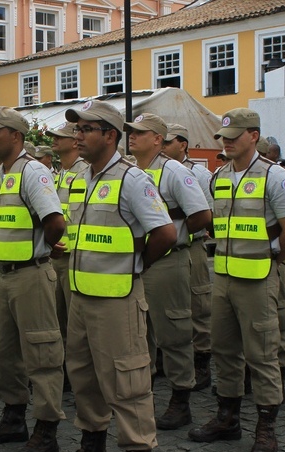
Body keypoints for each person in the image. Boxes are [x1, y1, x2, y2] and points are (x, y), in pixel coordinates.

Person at [49, 99, 176, 452]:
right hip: (82, 295)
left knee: (127, 381)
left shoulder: (132, 179)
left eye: (86, 129)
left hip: (118, 299)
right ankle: (92, 449)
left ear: (109, 135)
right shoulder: (82, 177)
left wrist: (136, 267)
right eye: (76, 129)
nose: (77, 136)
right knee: (84, 376)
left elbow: (165, 233)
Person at [188, 108, 285, 452]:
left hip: (258, 278)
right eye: (223, 137)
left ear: (253, 136)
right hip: (223, 276)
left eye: (234, 136)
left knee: (262, 354)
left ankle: (266, 427)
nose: (227, 143)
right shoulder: (219, 176)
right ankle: (228, 417)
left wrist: (274, 262)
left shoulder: (274, 176)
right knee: (224, 349)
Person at [0, 107, 67, 452]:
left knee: (42, 354)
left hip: (30, 274)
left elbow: (54, 222)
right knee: (6, 352)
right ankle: (13, 417)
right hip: (3, 274)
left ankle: (46, 427)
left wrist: (42, 248)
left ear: (15, 136)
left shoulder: (32, 171)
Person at [124, 113, 211, 429]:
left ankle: (180, 398)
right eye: (131, 132)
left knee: (174, 332)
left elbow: (201, 215)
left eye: (140, 132)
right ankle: (142, 395)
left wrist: (175, 231)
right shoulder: (129, 170)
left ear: (158, 139)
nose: (132, 137)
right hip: (138, 261)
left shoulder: (174, 171)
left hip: (168, 260)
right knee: (139, 333)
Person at [162, 123, 215, 391]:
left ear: (182, 144)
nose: (163, 146)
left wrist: (182, 232)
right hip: (163, 250)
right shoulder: (157, 170)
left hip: (190, 246)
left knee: (198, 305)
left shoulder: (199, 173)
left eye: (168, 142)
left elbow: (207, 213)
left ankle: (202, 359)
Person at [45, 122, 89, 374]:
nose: (54, 140)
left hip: (75, 257)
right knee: (58, 317)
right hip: (58, 255)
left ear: (74, 142)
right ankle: (64, 368)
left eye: (59, 136)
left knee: (74, 321)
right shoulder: (60, 173)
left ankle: (76, 369)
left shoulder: (84, 172)